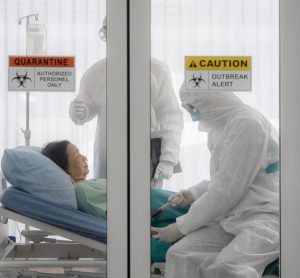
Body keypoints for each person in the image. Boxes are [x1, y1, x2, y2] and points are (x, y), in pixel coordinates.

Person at [151, 87, 279, 278]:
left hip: (263, 217)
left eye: (193, 105)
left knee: (229, 267)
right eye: (187, 106)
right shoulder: (220, 126)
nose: (192, 113)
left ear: (214, 96)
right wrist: (193, 193)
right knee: (180, 254)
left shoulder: (247, 123)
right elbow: (225, 178)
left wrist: (181, 227)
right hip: (232, 216)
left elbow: (228, 188)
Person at [69, 17, 183, 186]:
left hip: (146, 151)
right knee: (107, 201)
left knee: (144, 204)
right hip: (108, 151)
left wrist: (168, 158)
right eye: (108, 33)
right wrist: (78, 110)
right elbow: (85, 109)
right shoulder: (96, 72)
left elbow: (170, 117)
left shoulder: (156, 70)